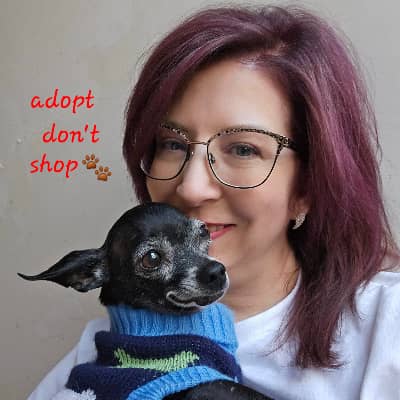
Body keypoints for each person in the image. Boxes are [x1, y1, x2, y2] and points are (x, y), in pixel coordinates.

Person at [28, 4, 400, 400]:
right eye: (172, 144)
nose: (191, 188)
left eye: (243, 149)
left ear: (309, 184)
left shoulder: (387, 330)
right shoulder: (98, 354)